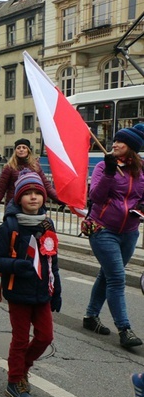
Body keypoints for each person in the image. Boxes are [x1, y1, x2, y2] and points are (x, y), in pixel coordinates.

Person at [0, 171, 62, 397]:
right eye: (27, 193)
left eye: (38, 193)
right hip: (18, 292)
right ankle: (14, 381)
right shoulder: (10, 225)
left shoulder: (47, 224)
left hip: (42, 293)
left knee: (45, 337)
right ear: (18, 198)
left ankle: (23, 368)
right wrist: (17, 266)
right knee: (20, 340)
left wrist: (56, 291)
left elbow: (53, 261)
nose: (33, 198)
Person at [82, 125, 144, 348]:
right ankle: (124, 329)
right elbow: (96, 197)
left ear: (132, 149)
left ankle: (90, 317)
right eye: (115, 141)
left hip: (129, 232)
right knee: (117, 278)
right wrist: (109, 173)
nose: (115, 144)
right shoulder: (102, 166)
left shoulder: (141, 170)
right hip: (102, 229)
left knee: (106, 275)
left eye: (121, 142)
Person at [0, 139, 61, 222]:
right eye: (18, 148)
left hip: (32, 207)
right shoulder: (9, 167)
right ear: (15, 151)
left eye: (24, 147)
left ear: (28, 150)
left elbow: (46, 186)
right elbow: (1, 190)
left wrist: (59, 199)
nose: (21, 149)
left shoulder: (35, 166)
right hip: (14, 207)